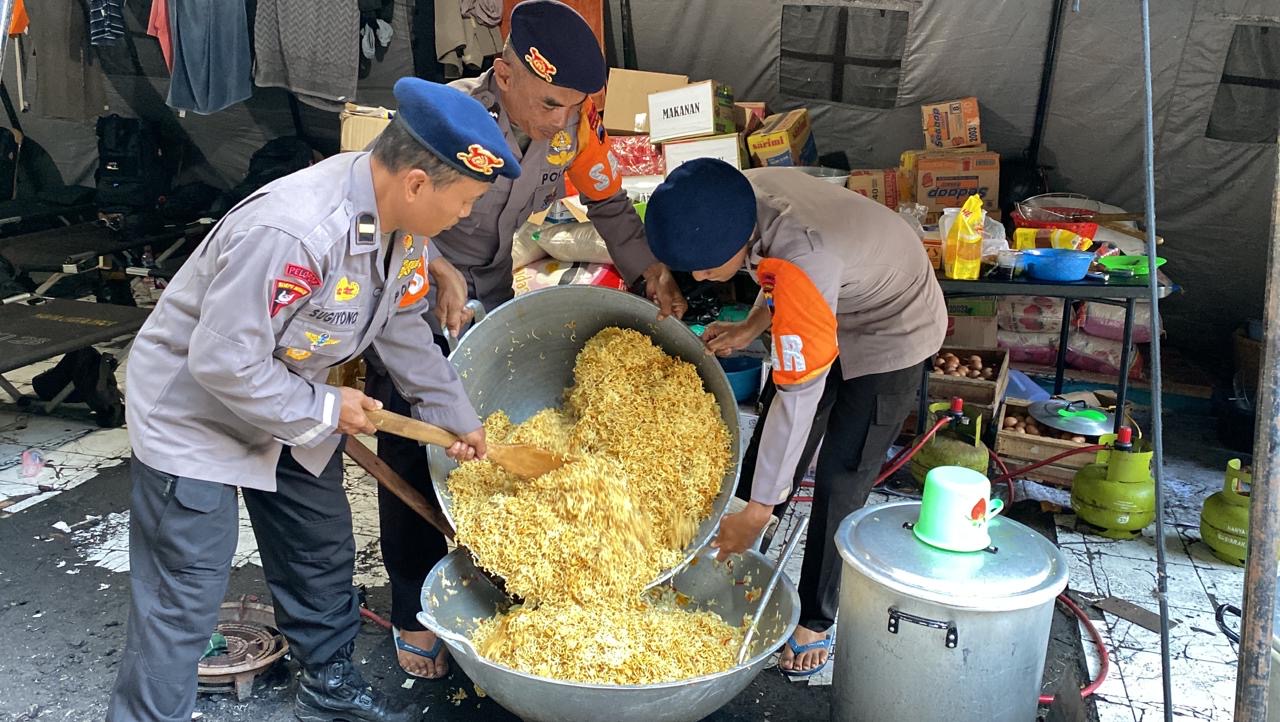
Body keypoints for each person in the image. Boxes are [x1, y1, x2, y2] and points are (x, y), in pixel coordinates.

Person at [106, 78, 519, 722]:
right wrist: (329, 409)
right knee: (183, 594)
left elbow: (404, 325)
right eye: (463, 202)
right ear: (416, 182)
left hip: (290, 401)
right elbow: (223, 361)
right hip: (197, 416)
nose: (465, 217)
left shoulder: (400, 228)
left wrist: (456, 418)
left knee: (319, 547)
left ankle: (327, 681)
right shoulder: (295, 231)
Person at [366, 0, 687, 679]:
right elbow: (382, 214)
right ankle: (410, 612)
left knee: (481, 448)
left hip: (492, 297)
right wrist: (433, 267)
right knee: (409, 453)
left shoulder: (570, 128)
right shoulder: (443, 121)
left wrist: (650, 271)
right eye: (550, 103)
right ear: (503, 73)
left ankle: (499, 570)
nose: (561, 121)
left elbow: (606, 200)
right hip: (412, 299)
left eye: (572, 107)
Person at [642, 158, 948, 677]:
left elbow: (797, 396)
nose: (697, 277)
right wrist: (752, 326)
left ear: (738, 235)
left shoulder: (807, 256)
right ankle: (734, 558)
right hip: (835, 285)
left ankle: (815, 618)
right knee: (770, 447)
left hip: (892, 324)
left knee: (841, 473)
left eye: (707, 265)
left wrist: (760, 509)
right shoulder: (737, 192)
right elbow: (775, 274)